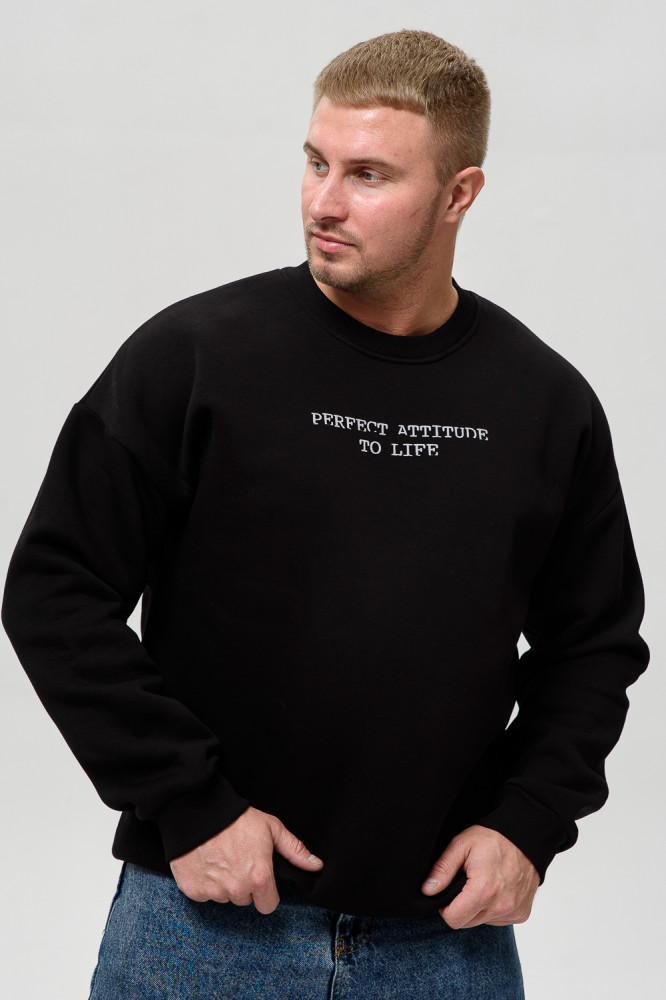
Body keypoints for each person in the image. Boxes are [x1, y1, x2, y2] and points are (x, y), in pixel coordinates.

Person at [2, 28, 648, 1000]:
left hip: (443, 941)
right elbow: (55, 591)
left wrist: (528, 822)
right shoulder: (195, 357)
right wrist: (190, 803)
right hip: (205, 922)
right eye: (316, 162)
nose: (324, 202)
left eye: (369, 175)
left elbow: (593, 645)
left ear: (460, 193)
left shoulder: (543, 402)